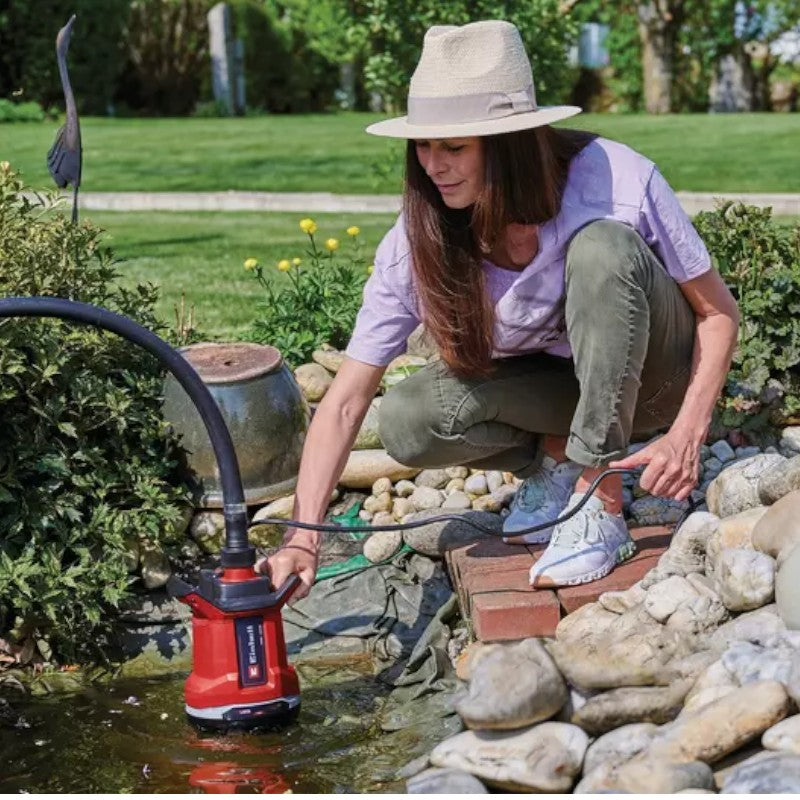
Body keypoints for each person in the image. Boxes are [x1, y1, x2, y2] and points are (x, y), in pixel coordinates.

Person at [260, 19, 739, 599]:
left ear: (510, 146)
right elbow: (345, 403)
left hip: (654, 381)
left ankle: (600, 502)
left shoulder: (614, 179)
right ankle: (555, 463)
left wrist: (689, 431)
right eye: (423, 145)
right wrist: (302, 537)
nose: (433, 166)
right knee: (409, 418)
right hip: (564, 390)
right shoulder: (419, 241)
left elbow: (718, 315)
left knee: (603, 248)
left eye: (454, 147)